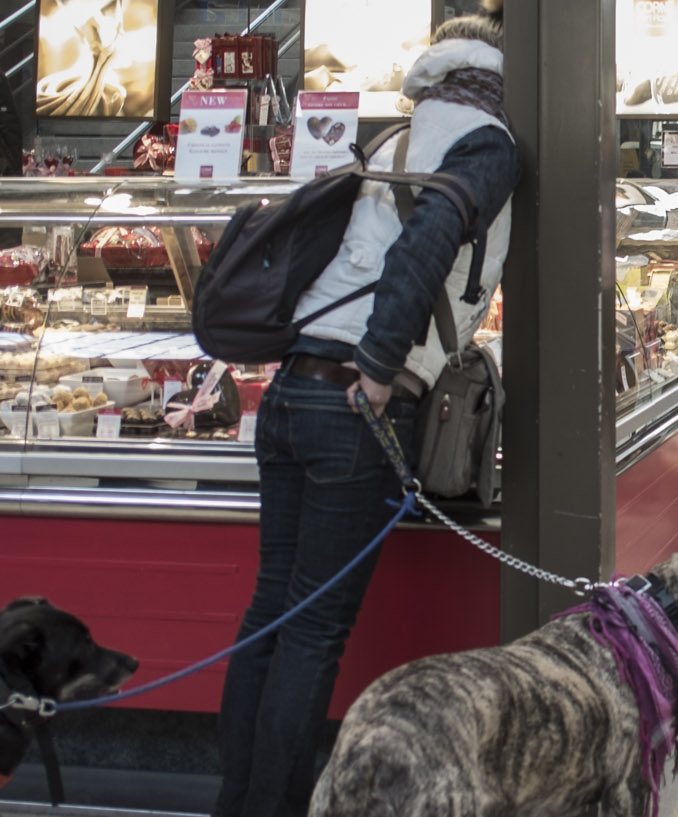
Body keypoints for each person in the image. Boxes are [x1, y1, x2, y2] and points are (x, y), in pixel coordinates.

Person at [211, 5, 520, 816]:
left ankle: (235, 799)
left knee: (272, 611)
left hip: (290, 392)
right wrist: (383, 366)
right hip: (356, 401)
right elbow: (429, 243)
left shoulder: (397, 136)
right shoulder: (485, 142)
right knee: (312, 632)